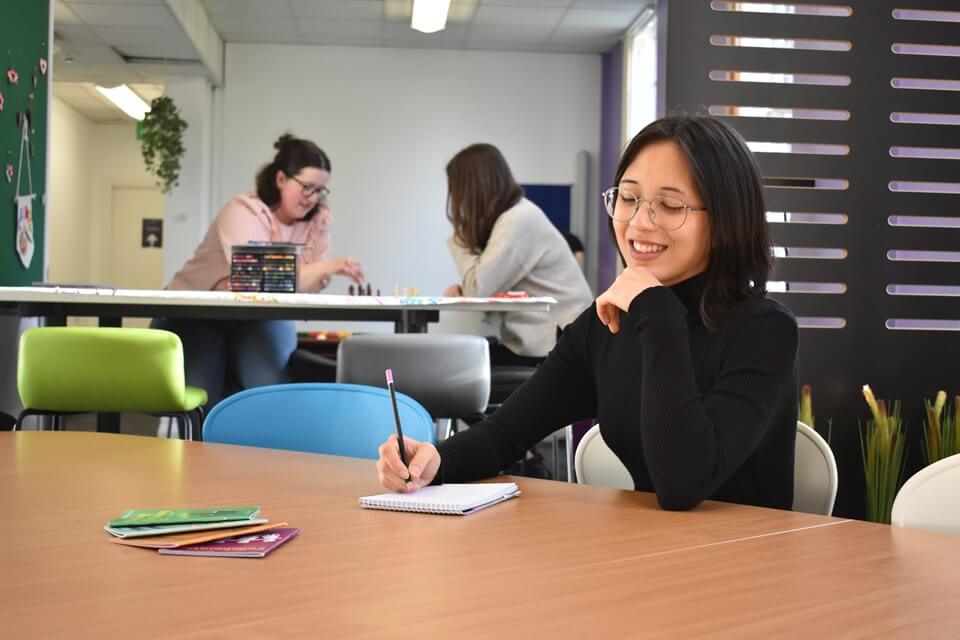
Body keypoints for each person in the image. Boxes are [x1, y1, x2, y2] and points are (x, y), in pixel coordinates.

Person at [377, 115, 799, 511]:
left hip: (746, 566)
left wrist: (656, 309)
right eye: (629, 198)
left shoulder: (764, 331)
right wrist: (437, 459)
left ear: (727, 219)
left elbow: (684, 483)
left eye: (670, 206)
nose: (638, 223)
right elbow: (505, 433)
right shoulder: (607, 326)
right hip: (651, 556)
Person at [153, 134, 364, 412]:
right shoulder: (243, 210)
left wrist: (316, 272)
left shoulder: (317, 220)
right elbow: (257, 277)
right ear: (280, 179)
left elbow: (306, 289)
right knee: (202, 392)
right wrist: (327, 267)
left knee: (268, 387)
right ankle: (199, 450)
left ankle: (266, 451)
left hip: (258, 316)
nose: (312, 198)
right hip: (197, 313)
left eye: (320, 190)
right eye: (307, 187)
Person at [442, 143, 593, 368]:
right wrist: (468, 287)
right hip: (547, 343)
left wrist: (459, 240)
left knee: (458, 368)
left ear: (471, 190)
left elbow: (478, 290)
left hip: (557, 350)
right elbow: (488, 286)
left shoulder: (518, 220)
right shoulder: (514, 217)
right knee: (462, 363)